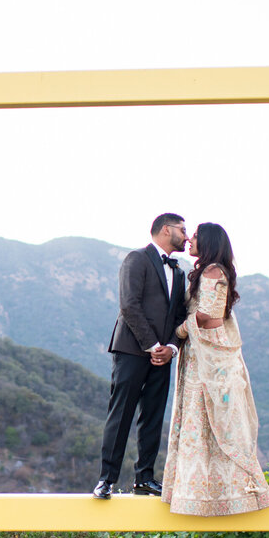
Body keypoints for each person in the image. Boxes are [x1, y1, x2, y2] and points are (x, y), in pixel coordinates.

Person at [161, 222, 269, 516]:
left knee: (211, 419)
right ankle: (200, 493)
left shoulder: (214, 271)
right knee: (201, 419)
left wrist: (181, 331)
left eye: (196, 235)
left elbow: (210, 317)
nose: (190, 239)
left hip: (208, 357)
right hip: (200, 356)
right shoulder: (209, 269)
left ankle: (222, 494)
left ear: (209, 240)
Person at [92, 213, 189, 500]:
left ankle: (144, 478)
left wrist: (171, 348)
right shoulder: (137, 259)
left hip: (163, 357)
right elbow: (129, 305)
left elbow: (180, 316)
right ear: (165, 230)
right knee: (121, 413)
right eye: (183, 230)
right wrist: (153, 345)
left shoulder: (180, 272)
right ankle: (106, 480)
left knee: (153, 417)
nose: (186, 235)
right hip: (133, 351)